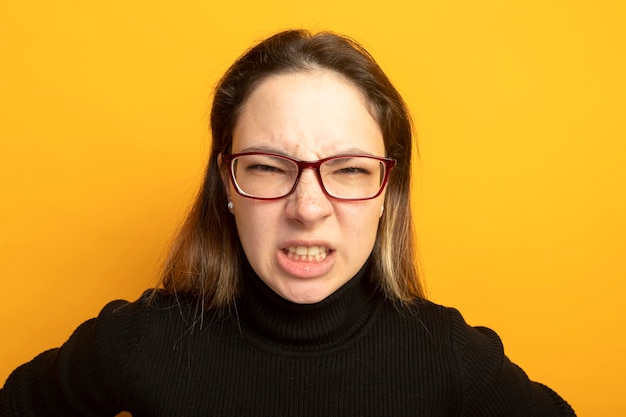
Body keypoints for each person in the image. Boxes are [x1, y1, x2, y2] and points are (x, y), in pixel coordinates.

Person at [0, 29, 576, 416]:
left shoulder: (450, 357)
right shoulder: (139, 344)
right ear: (227, 184)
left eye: (349, 169)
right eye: (269, 168)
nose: (307, 207)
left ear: (387, 195)